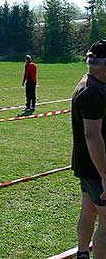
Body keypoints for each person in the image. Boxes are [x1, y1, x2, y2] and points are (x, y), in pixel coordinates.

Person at [72, 39, 106, 259]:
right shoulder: (93, 91)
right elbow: (92, 134)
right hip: (97, 167)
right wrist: (105, 175)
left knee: (89, 209)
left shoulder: (87, 83)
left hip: (86, 164)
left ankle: (83, 253)